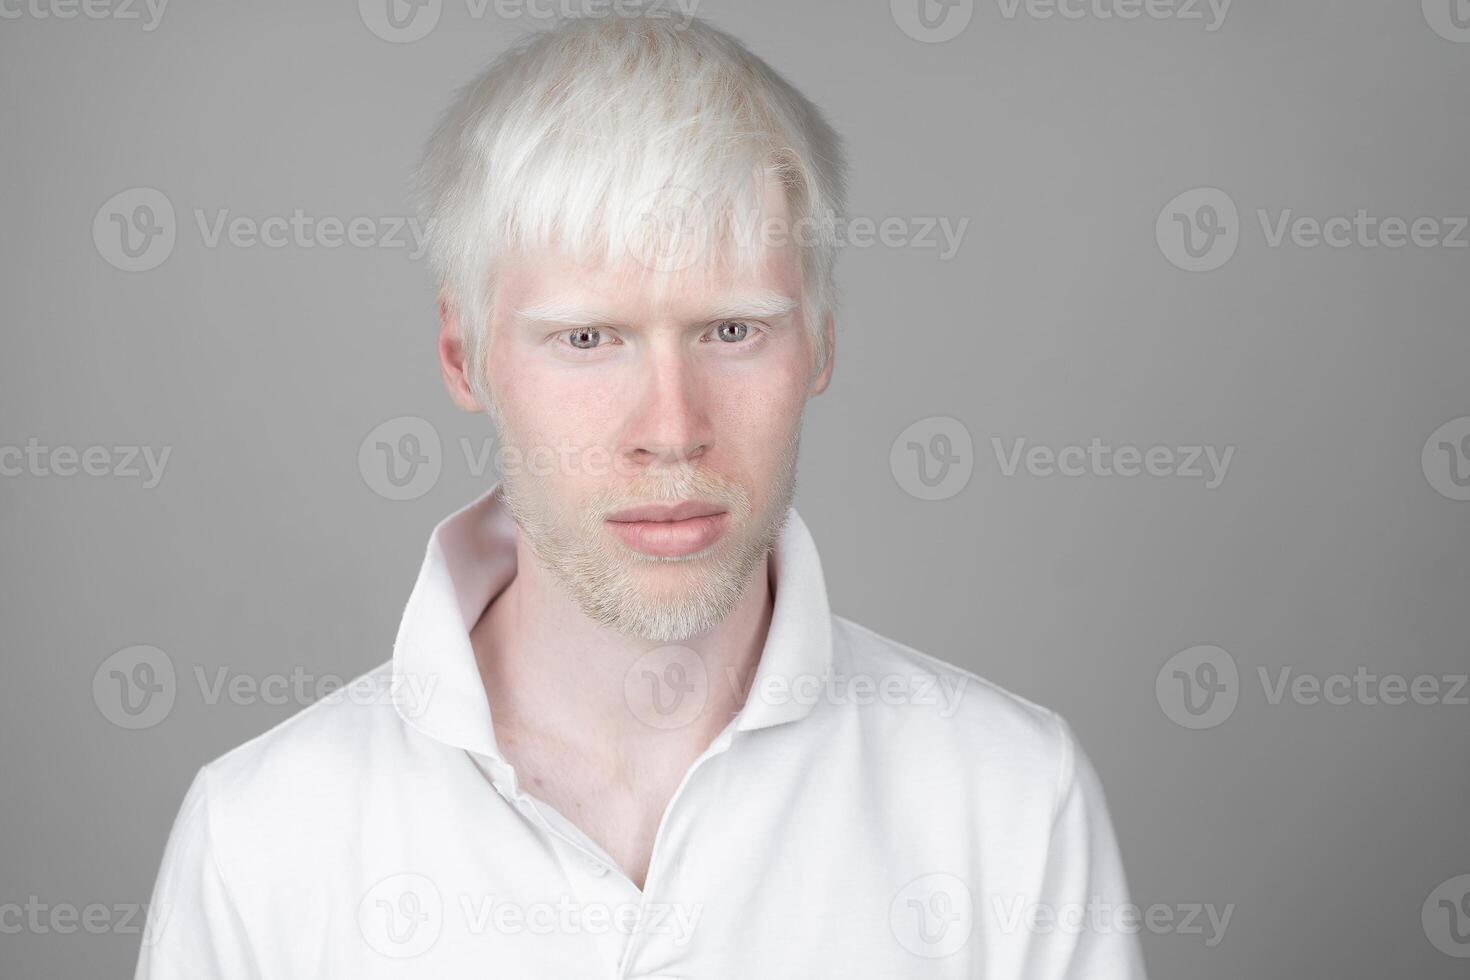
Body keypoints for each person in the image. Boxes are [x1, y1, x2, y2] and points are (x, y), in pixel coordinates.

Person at [136, 7, 1147, 977]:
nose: (671, 428)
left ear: (822, 340)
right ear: (463, 352)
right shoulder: (260, 838)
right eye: (588, 339)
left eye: (732, 330)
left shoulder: (1011, 800)